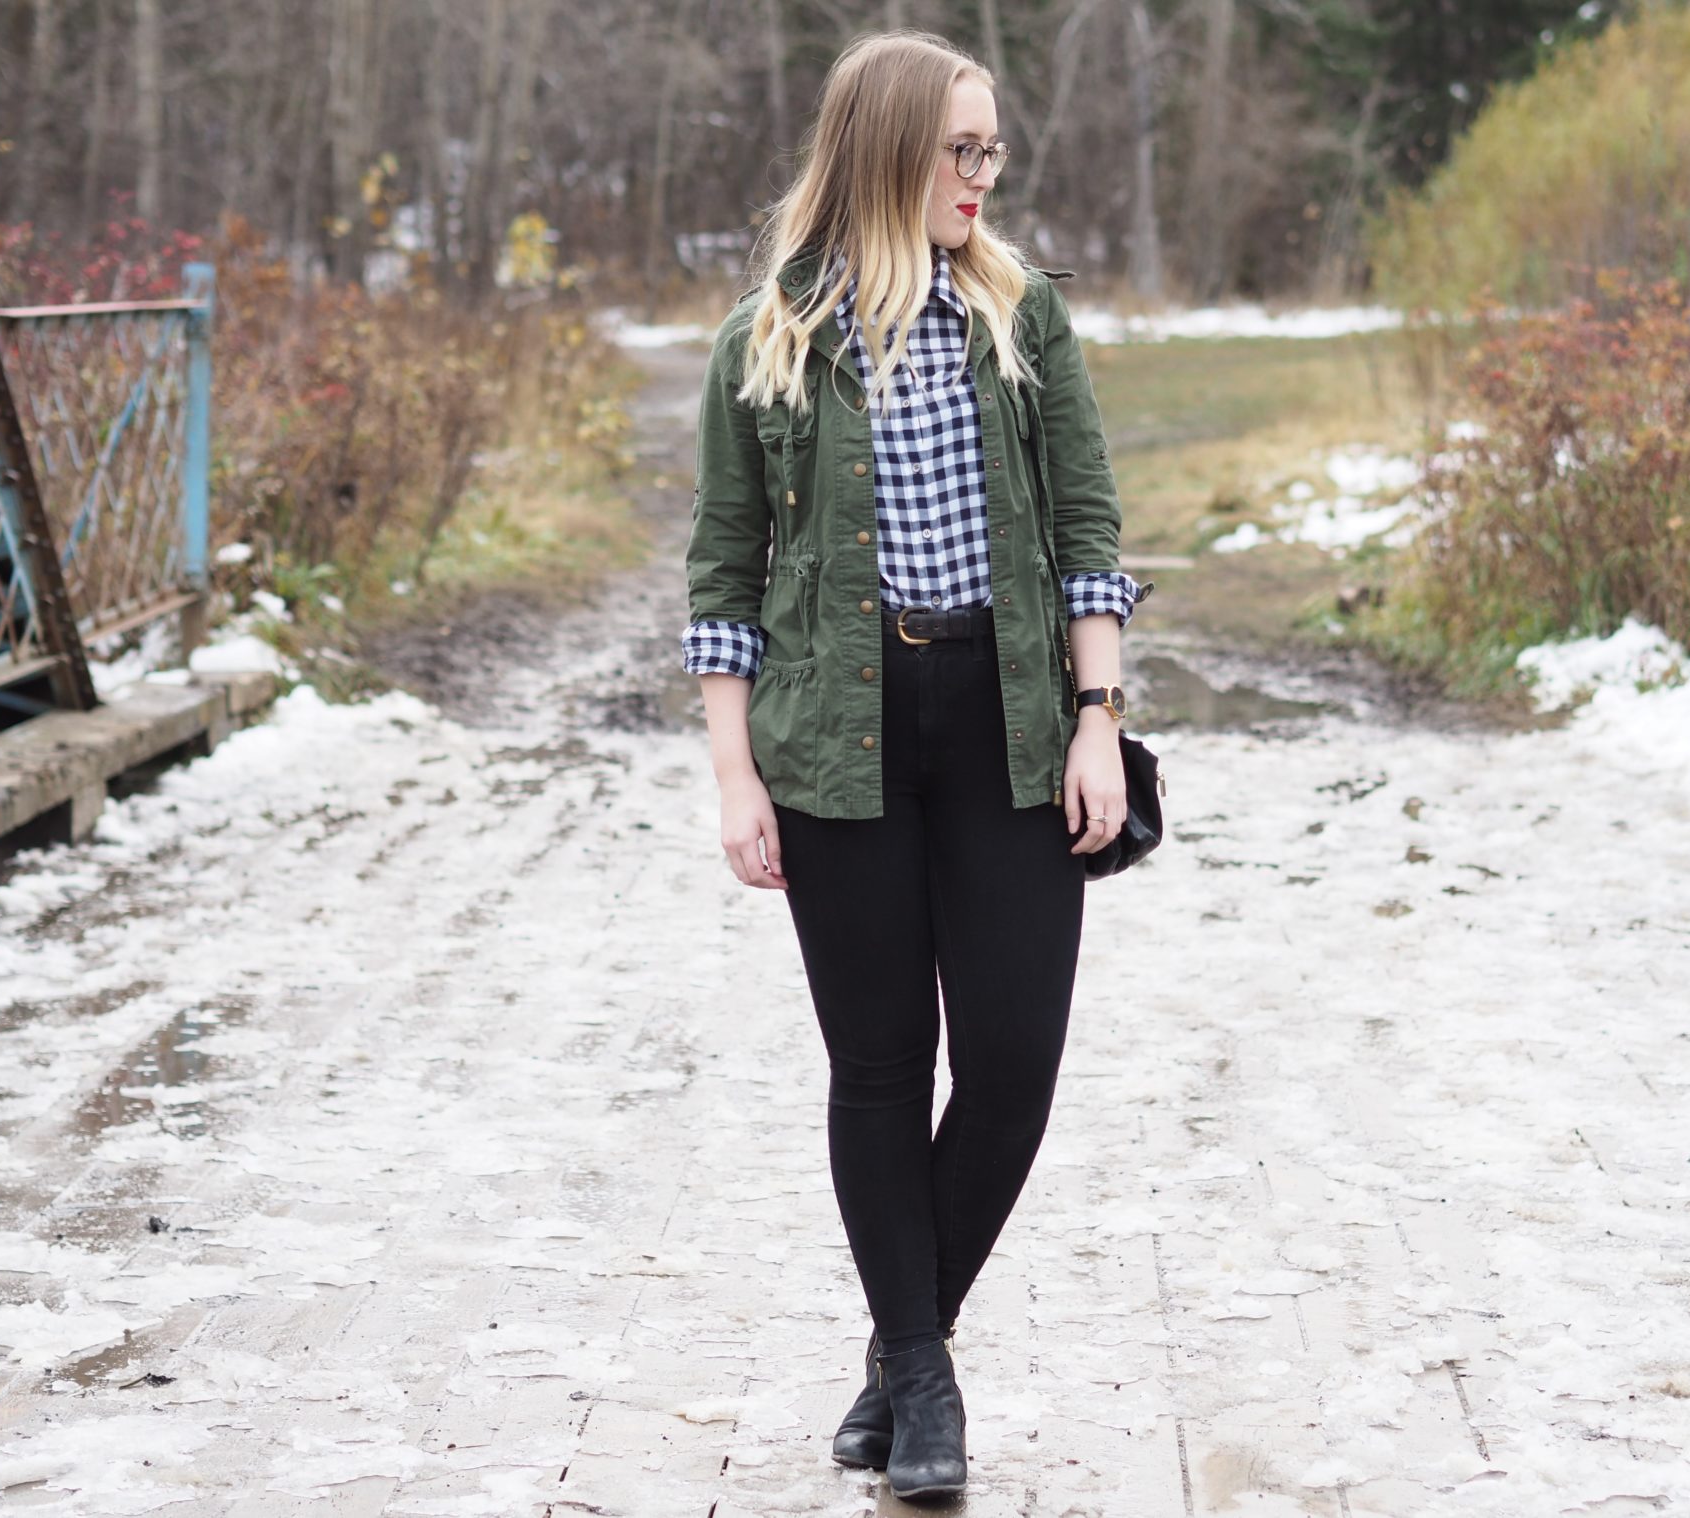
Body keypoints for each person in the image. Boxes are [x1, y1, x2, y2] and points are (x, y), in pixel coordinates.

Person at [680, 28, 1145, 1503]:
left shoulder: (1022, 317)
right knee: (880, 1066)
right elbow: (723, 570)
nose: (982, 174)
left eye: (992, 149)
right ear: (887, 149)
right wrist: (736, 772)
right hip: (839, 735)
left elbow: (1088, 529)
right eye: (961, 149)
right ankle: (927, 1382)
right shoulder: (770, 337)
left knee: (1011, 1066)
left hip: (1008, 720)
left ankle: (896, 1347)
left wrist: (1097, 718)